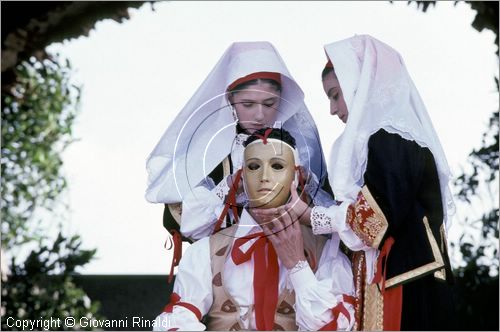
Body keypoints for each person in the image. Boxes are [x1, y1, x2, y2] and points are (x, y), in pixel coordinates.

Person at [255, 35, 456, 330]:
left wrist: (309, 214)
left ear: (360, 84)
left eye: (336, 94)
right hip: (388, 279)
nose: (333, 110)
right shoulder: (379, 142)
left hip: (411, 287)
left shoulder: (392, 138)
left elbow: (372, 222)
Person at [145, 42, 332, 277]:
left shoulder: (301, 156)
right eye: (248, 104)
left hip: (293, 273)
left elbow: (329, 222)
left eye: (269, 103)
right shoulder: (213, 154)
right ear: (230, 100)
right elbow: (179, 220)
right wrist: (231, 188)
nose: (259, 115)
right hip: (225, 275)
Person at [153, 128, 355, 331]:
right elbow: (174, 321)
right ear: (241, 177)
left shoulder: (326, 253)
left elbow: (339, 327)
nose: (264, 177)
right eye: (253, 166)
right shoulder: (205, 252)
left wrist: (298, 266)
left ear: (295, 177)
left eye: (277, 166)